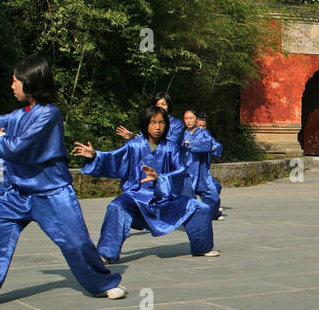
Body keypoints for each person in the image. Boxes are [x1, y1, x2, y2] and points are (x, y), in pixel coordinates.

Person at [0, 57, 125, 309]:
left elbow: (15, 148)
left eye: (15, 81)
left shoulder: (49, 115)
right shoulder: (20, 114)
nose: (11, 85)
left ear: (30, 82)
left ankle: (104, 284)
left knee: (76, 242)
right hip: (19, 192)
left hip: (52, 193)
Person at [74, 105, 218, 261]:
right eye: (153, 122)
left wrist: (160, 179)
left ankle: (202, 247)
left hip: (165, 197)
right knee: (116, 206)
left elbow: (181, 171)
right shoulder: (134, 145)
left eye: (161, 123)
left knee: (200, 208)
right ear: (145, 123)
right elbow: (114, 158)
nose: (157, 127)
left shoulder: (171, 147)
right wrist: (95, 155)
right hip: (136, 196)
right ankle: (107, 252)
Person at [179, 109, 224, 220]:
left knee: (213, 197)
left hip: (202, 171)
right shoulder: (181, 135)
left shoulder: (204, 133)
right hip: (187, 172)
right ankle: (187, 219)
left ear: (196, 119)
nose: (188, 121)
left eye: (191, 118)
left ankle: (213, 214)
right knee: (187, 198)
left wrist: (192, 144)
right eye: (186, 118)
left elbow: (211, 144)